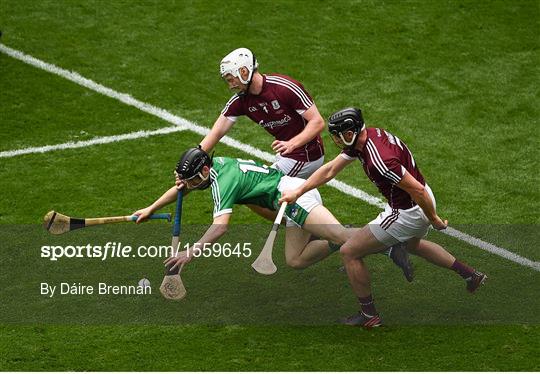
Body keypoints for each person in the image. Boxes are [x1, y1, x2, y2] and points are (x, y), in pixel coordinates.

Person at [279, 107, 487, 327]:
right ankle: (470, 275)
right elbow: (330, 170)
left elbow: (416, 190)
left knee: (349, 251)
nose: (340, 140)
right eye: (338, 135)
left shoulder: (380, 161)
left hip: (407, 211)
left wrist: (433, 218)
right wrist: (298, 191)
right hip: (418, 202)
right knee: (413, 246)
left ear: (354, 130)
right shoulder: (366, 137)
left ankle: (369, 315)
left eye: (344, 135)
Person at [133, 147, 411, 279]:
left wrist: (189, 253)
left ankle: (389, 246)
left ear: (204, 171)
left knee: (340, 234)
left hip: (293, 196)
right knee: (296, 260)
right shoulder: (215, 165)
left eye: (194, 180)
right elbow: (182, 188)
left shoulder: (222, 182)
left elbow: (220, 227)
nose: (191, 186)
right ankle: (341, 237)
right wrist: (150, 208)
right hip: (286, 206)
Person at [200, 47, 325, 179]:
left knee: (265, 188)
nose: (231, 86)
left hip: (306, 156)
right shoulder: (241, 100)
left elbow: (317, 122)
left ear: (243, 72)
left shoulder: (284, 88)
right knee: (281, 194)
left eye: (231, 79)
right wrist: (195, 157)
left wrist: (291, 144)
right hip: (287, 155)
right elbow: (216, 132)